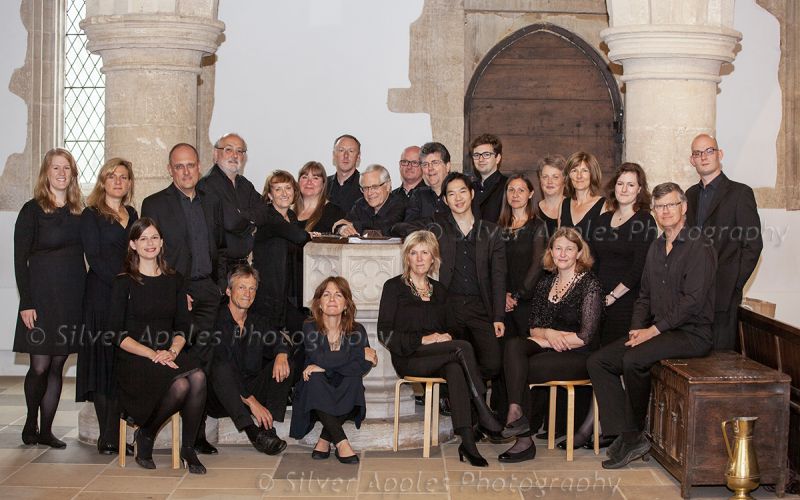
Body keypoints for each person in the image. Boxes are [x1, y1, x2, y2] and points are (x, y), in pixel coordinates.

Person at [587, 182, 716, 469]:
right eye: (660, 206)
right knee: (599, 361)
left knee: (633, 359)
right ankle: (628, 433)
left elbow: (692, 301)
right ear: (655, 211)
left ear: (684, 207)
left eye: (671, 204)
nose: (666, 211)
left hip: (691, 333)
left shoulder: (699, 245)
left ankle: (632, 435)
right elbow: (644, 295)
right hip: (659, 330)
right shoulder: (657, 246)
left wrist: (652, 331)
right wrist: (636, 328)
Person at [377, 231, 503, 467]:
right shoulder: (393, 287)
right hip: (409, 357)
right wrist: (424, 339)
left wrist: (446, 336)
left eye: (425, 252)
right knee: (461, 350)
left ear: (433, 258)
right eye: (413, 253)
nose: (419, 258)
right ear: (407, 258)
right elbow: (384, 333)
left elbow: (455, 330)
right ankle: (483, 412)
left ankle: (468, 443)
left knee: (455, 366)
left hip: (440, 356)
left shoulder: (441, 291)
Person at [141, 143, 225, 455]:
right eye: (179, 166)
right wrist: (176, 292)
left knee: (204, 364)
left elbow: (220, 247)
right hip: (176, 294)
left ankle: (196, 435)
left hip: (207, 292)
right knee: (177, 365)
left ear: (199, 166)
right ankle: (151, 429)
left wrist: (220, 286)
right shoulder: (155, 203)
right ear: (170, 169)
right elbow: (151, 253)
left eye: (191, 165)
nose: (186, 171)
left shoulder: (211, 201)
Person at [108, 218, 207, 473]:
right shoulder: (123, 282)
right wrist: (153, 354)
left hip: (168, 351)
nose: (149, 243)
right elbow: (117, 335)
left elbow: (184, 327)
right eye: (143, 238)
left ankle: (188, 448)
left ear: (162, 242)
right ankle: (147, 434)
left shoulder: (175, 280)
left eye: (154, 237)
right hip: (136, 357)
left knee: (197, 376)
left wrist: (172, 350)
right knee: (182, 382)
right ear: (133, 244)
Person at [499, 227, 604, 463]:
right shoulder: (546, 283)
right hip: (549, 344)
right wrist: (549, 334)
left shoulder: (590, 284)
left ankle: (523, 439)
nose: (563, 254)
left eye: (569, 249)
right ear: (551, 252)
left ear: (579, 252)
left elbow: (586, 336)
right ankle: (516, 413)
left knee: (524, 367)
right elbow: (534, 327)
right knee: (514, 346)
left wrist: (553, 340)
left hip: (580, 354)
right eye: (558, 248)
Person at [14, 148, 85, 448]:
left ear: (72, 174)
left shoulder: (80, 211)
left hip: (71, 295)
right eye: (55, 167)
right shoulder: (31, 210)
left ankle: (46, 430)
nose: (61, 173)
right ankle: (30, 422)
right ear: (46, 172)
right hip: (41, 297)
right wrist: (26, 302)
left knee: (58, 365)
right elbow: (20, 260)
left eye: (66, 168)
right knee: (40, 366)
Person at [76, 157, 138, 455]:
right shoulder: (91, 215)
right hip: (102, 295)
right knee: (102, 364)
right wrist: (121, 285)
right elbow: (95, 258)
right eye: (112, 176)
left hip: (128, 296)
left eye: (123, 177)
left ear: (129, 183)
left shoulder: (133, 213)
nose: (118, 181)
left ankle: (118, 431)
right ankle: (107, 436)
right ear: (103, 181)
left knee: (120, 366)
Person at [685, 134, 763, 351]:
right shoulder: (689, 196)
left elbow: (753, 244)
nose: (703, 157)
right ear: (692, 160)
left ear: (720, 154)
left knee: (720, 359)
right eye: (697, 153)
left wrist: (734, 283)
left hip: (723, 293)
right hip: (693, 295)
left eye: (709, 151)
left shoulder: (740, 193)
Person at [290, 277, 377, 464]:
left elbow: (364, 366)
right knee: (314, 378)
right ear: (319, 303)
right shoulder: (309, 327)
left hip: (345, 391)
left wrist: (323, 366)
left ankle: (325, 438)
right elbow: (320, 357)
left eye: (338, 295)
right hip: (314, 395)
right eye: (326, 294)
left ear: (346, 304)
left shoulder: (357, 330)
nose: (331, 299)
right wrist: (357, 352)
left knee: (352, 378)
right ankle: (342, 442)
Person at [206, 264, 290, 455]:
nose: (248, 293)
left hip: (249, 388)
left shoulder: (257, 321)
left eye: (252, 288)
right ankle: (254, 433)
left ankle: (268, 427)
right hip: (221, 397)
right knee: (220, 367)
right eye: (242, 287)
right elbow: (223, 369)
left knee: (286, 362)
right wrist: (252, 402)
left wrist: (282, 354)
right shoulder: (216, 321)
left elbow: (279, 340)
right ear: (228, 291)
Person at [590, 163, 657, 347]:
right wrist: (593, 295)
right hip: (600, 300)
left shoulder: (645, 220)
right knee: (596, 353)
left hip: (627, 301)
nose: (624, 189)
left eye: (631, 184)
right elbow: (593, 261)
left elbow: (639, 266)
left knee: (616, 357)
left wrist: (612, 296)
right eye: (620, 184)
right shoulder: (602, 220)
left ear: (639, 189)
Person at [197, 132, 270, 277]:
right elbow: (231, 221)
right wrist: (251, 225)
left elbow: (264, 212)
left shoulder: (245, 184)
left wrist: (240, 214)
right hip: (219, 268)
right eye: (228, 149)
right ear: (215, 154)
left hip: (242, 265)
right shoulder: (207, 184)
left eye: (239, 151)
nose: (234, 155)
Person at [252, 170, 310, 335]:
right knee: (269, 342)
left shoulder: (291, 216)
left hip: (287, 293)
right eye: (278, 189)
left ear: (294, 191)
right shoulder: (270, 217)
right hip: (268, 293)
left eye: (288, 188)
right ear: (270, 195)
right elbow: (299, 237)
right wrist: (310, 235)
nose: (284, 193)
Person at [498, 174, 548, 339]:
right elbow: (494, 264)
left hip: (527, 300)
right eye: (511, 190)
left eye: (521, 190)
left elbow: (537, 265)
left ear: (531, 193)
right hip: (501, 300)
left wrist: (516, 295)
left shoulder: (538, 226)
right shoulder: (497, 226)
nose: (515, 194)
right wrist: (503, 294)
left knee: (524, 347)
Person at [333, 164, 407, 237]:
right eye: (365, 188)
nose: (369, 193)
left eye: (374, 187)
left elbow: (385, 228)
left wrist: (354, 225)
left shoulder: (400, 204)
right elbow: (343, 223)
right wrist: (342, 228)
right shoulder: (361, 204)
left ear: (387, 186)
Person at [560, 152, 605, 240]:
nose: (579, 176)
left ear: (592, 174)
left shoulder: (604, 205)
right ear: (569, 176)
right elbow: (559, 241)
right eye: (574, 171)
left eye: (584, 171)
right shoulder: (563, 205)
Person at [403, 142, 451, 222]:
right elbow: (409, 228)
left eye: (435, 163)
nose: (430, 168)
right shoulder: (418, 196)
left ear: (447, 166)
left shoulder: (458, 194)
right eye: (425, 164)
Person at [295, 161, 345, 233]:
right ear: (298, 182)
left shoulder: (335, 213)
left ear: (323, 184)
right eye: (304, 177)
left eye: (315, 178)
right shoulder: (288, 211)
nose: (309, 182)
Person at [470, 133, 508, 223]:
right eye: (476, 155)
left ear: (497, 158)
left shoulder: (508, 186)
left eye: (486, 154)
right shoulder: (470, 188)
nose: (481, 159)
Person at [326, 134, 362, 213]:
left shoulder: (366, 187)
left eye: (351, 151)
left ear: (358, 157)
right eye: (341, 150)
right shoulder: (322, 185)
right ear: (334, 155)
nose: (346, 155)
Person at [536, 155, 567, 237]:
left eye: (555, 177)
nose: (550, 181)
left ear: (564, 179)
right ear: (540, 179)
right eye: (545, 177)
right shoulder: (532, 211)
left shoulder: (574, 208)